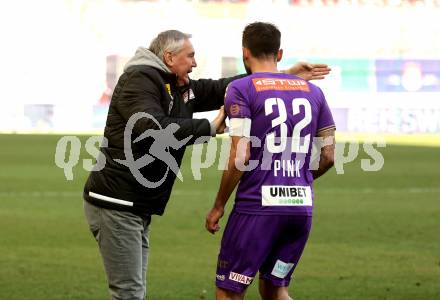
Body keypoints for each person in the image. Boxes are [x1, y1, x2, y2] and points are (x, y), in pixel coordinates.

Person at [83, 29, 331, 300]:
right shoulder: (139, 79)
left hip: (134, 202)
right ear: (168, 57)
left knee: (132, 292)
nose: (195, 63)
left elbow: (221, 88)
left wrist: (281, 77)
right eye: (190, 56)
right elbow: (148, 128)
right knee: (129, 293)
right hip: (116, 201)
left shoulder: (176, 83)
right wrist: (209, 127)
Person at [205, 22, 336, 300]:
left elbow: (241, 157)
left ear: (244, 53)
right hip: (300, 210)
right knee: (275, 289)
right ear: (279, 54)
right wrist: (299, 180)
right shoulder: (314, 92)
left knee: (229, 290)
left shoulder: (240, 88)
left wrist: (218, 205)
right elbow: (328, 156)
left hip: (256, 208)